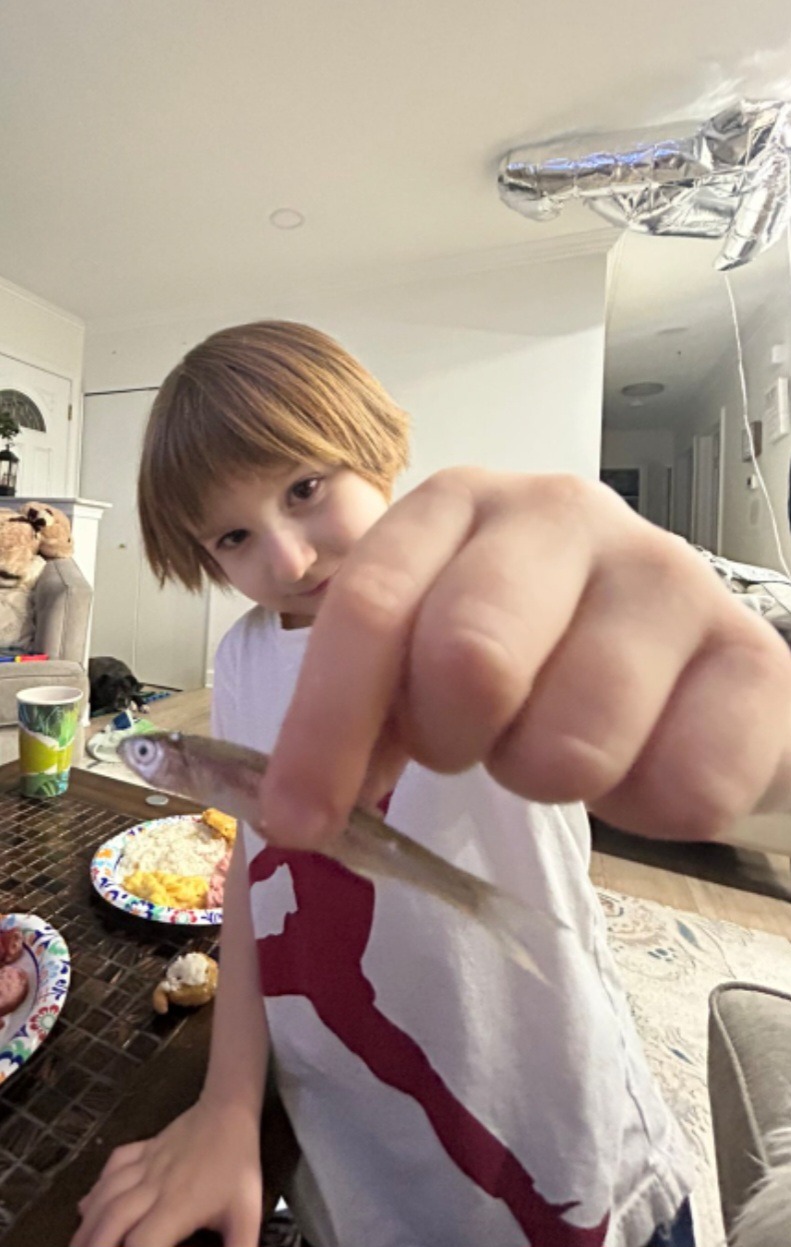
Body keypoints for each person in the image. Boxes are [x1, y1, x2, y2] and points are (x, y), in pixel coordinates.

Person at [73, 321, 791, 1247]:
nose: (287, 560)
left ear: (372, 448)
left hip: (568, 1159)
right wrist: (227, 1102)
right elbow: (258, 865)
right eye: (235, 536)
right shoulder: (242, 656)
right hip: (350, 1169)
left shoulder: (464, 610)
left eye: (304, 488)